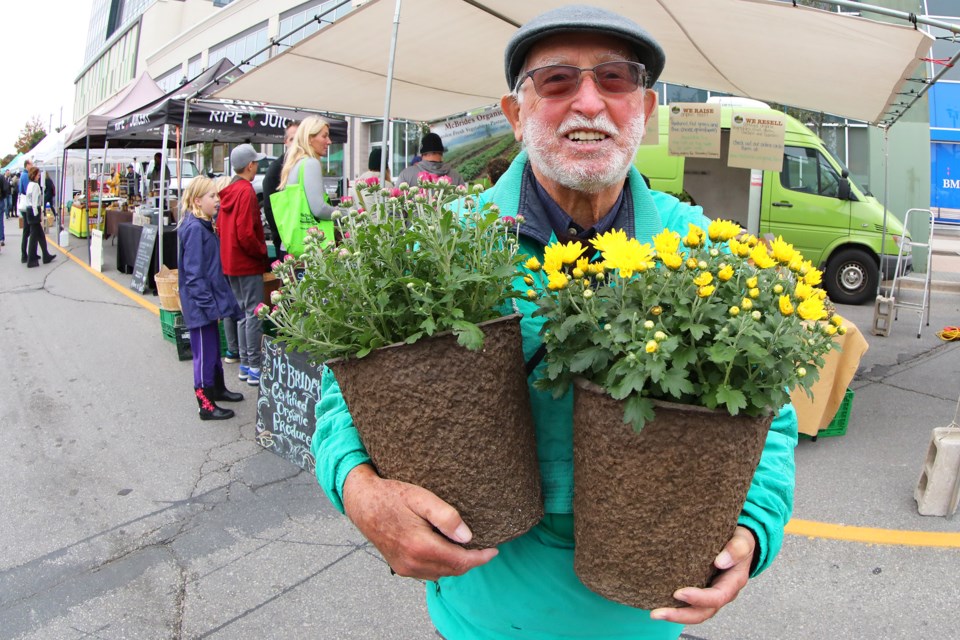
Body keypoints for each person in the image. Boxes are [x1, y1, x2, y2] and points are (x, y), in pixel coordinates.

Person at [312, 6, 798, 639]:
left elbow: (770, 415)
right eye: (558, 80)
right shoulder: (444, 244)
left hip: (643, 618)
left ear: (645, 110)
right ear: (516, 116)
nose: (589, 102)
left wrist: (755, 526)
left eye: (616, 79)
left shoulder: (708, 252)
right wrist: (359, 492)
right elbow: (346, 400)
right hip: (476, 616)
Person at [177, 176, 244, 421]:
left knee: (213, 349)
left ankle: (217, 389)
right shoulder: (195, 229)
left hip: (208, 303)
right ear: (197, 200)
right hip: (201, 305)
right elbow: (194, 275)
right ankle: (205, 403)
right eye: (212, 196)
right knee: (204, 353)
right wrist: (209, 307)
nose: (217, 200)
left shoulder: (201, 225)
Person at [219, 144, 268, 387]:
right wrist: (262, 252)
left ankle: (245, 364)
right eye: (256, 162)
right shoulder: (246, 191)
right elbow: (246, 233)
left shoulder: (228, 190)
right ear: (249, 166)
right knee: (254, 314)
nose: (257, 166)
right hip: (246, 262)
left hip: (230, 262)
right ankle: (255, 366)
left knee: (243, 313)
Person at [278, 115, 336, 223]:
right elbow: (319, 209)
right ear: (309, 139)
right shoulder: (311, 164)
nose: (329, 141)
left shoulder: (296, 162)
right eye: (324, 136)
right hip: (310, 237)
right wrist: (344, 213)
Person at [262, 120, 299, 261]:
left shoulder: (306, 165)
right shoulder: (276, 169)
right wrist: (283, 235)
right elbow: (269, 209)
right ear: (285, 142)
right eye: (292, 139)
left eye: (299, 138)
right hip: (287, 243)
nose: (296, 143)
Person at [396, 132, 465, 187]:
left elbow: (396, 201)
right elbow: (463, 202)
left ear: (422, 154)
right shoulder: (456, 176)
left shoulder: (406, 174)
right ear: (441, 153)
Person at [22, 166, 56, 268]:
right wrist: (37, 214)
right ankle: (32, 259)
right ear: (34, 175)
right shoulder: (35, 186)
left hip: (29, 211)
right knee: (34, 236)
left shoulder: (29, 185)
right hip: (33, 211)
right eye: (38, 174)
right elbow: (34, 202)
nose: (39, 175)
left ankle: (45, 255)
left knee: (40, 235)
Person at [19, 161, 34, 263]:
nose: (32, 166)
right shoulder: (25, 176)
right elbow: (27, 191)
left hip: (24, 205)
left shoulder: (23, 175)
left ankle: (26, 254)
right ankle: (24, 254)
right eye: (31, 164)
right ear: (27, 165)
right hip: (26, 206)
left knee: (27, 230)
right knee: (27, 231)